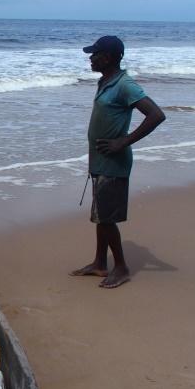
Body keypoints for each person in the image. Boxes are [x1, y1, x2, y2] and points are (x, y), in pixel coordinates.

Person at [71, 36, 165, 288]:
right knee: (100, 215)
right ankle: (100, 263)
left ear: (109, 57)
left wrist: (123, 142)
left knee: (106, 217)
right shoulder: (106, 81)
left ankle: (121, 267)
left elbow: (156, 115)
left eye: (95, 54)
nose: (90, 58)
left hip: (114, 162)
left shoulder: (125, 85)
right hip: (100, 160)